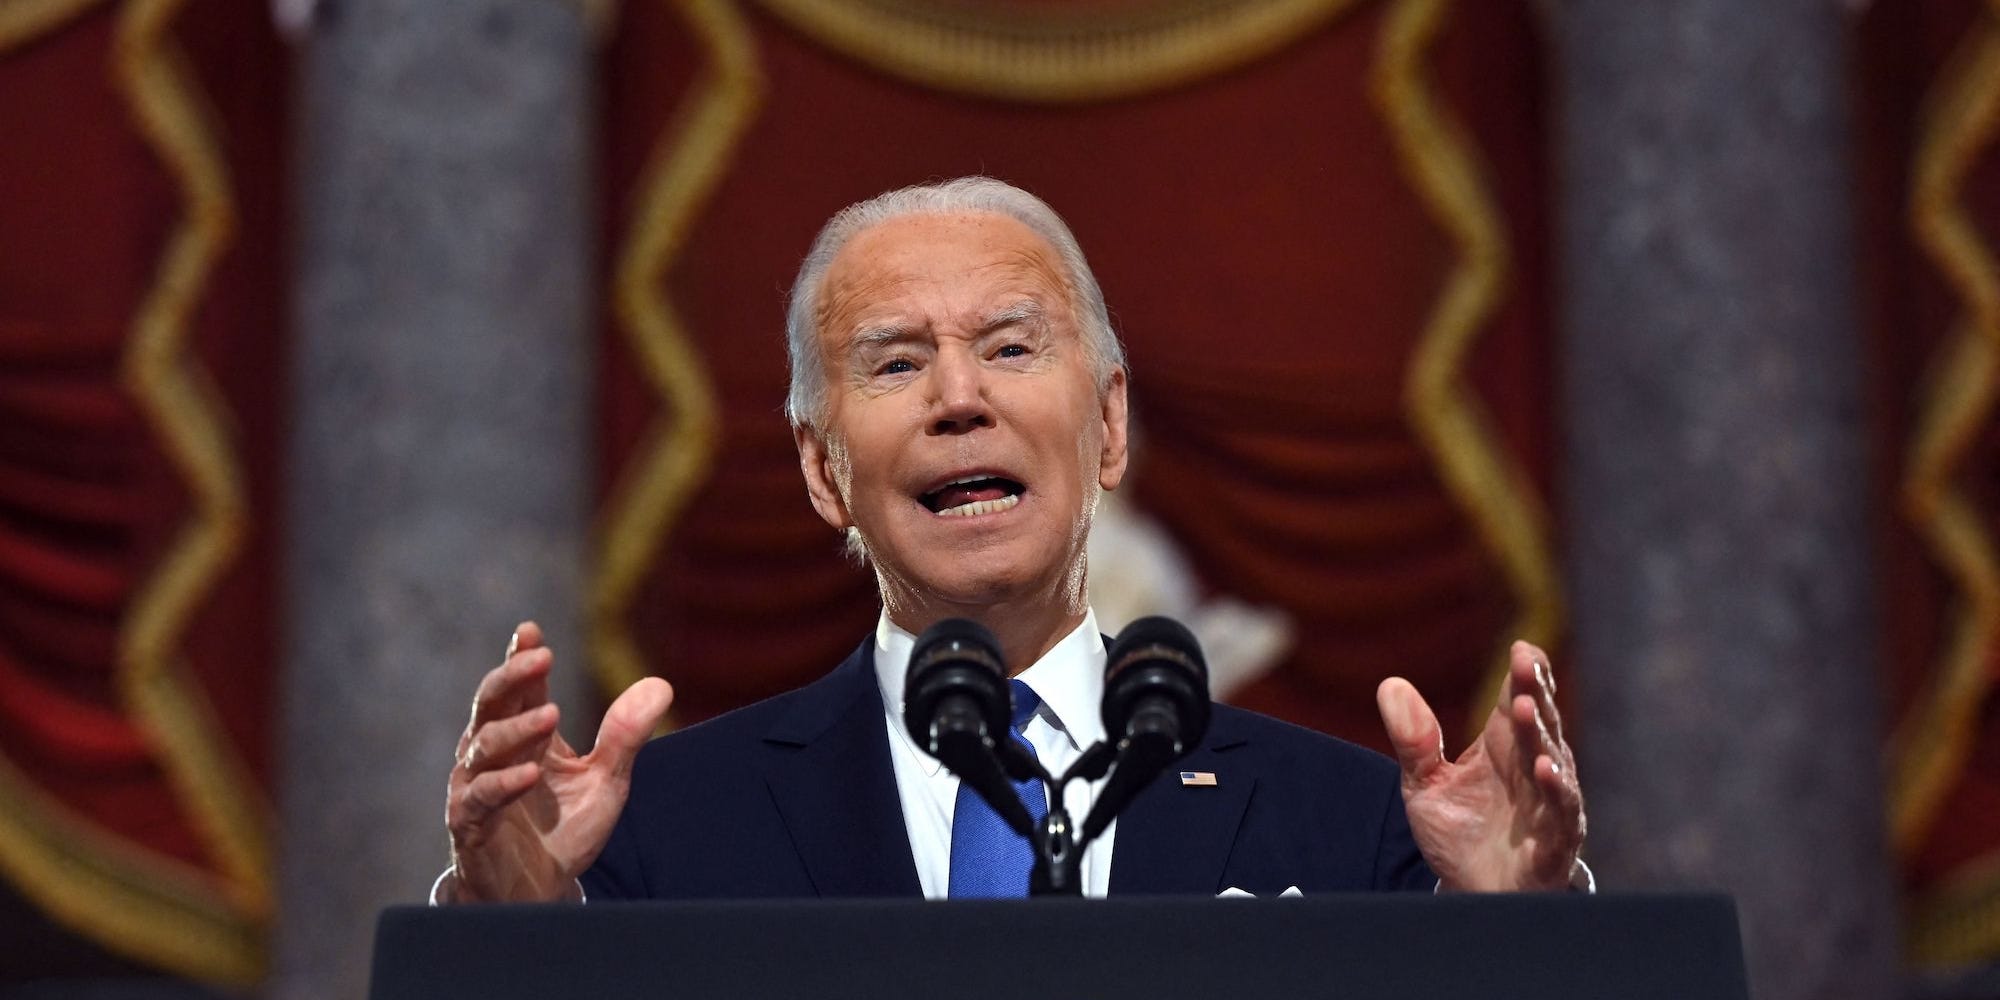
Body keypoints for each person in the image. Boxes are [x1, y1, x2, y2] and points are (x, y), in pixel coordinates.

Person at [435, 177, 1586, 905]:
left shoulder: (1352, 830)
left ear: (1109, 423)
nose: (957, 398)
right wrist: (512, 932)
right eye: (894, 362)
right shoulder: (654, 841)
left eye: (1011, 347)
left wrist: (1514, 933)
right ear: (819, 467)